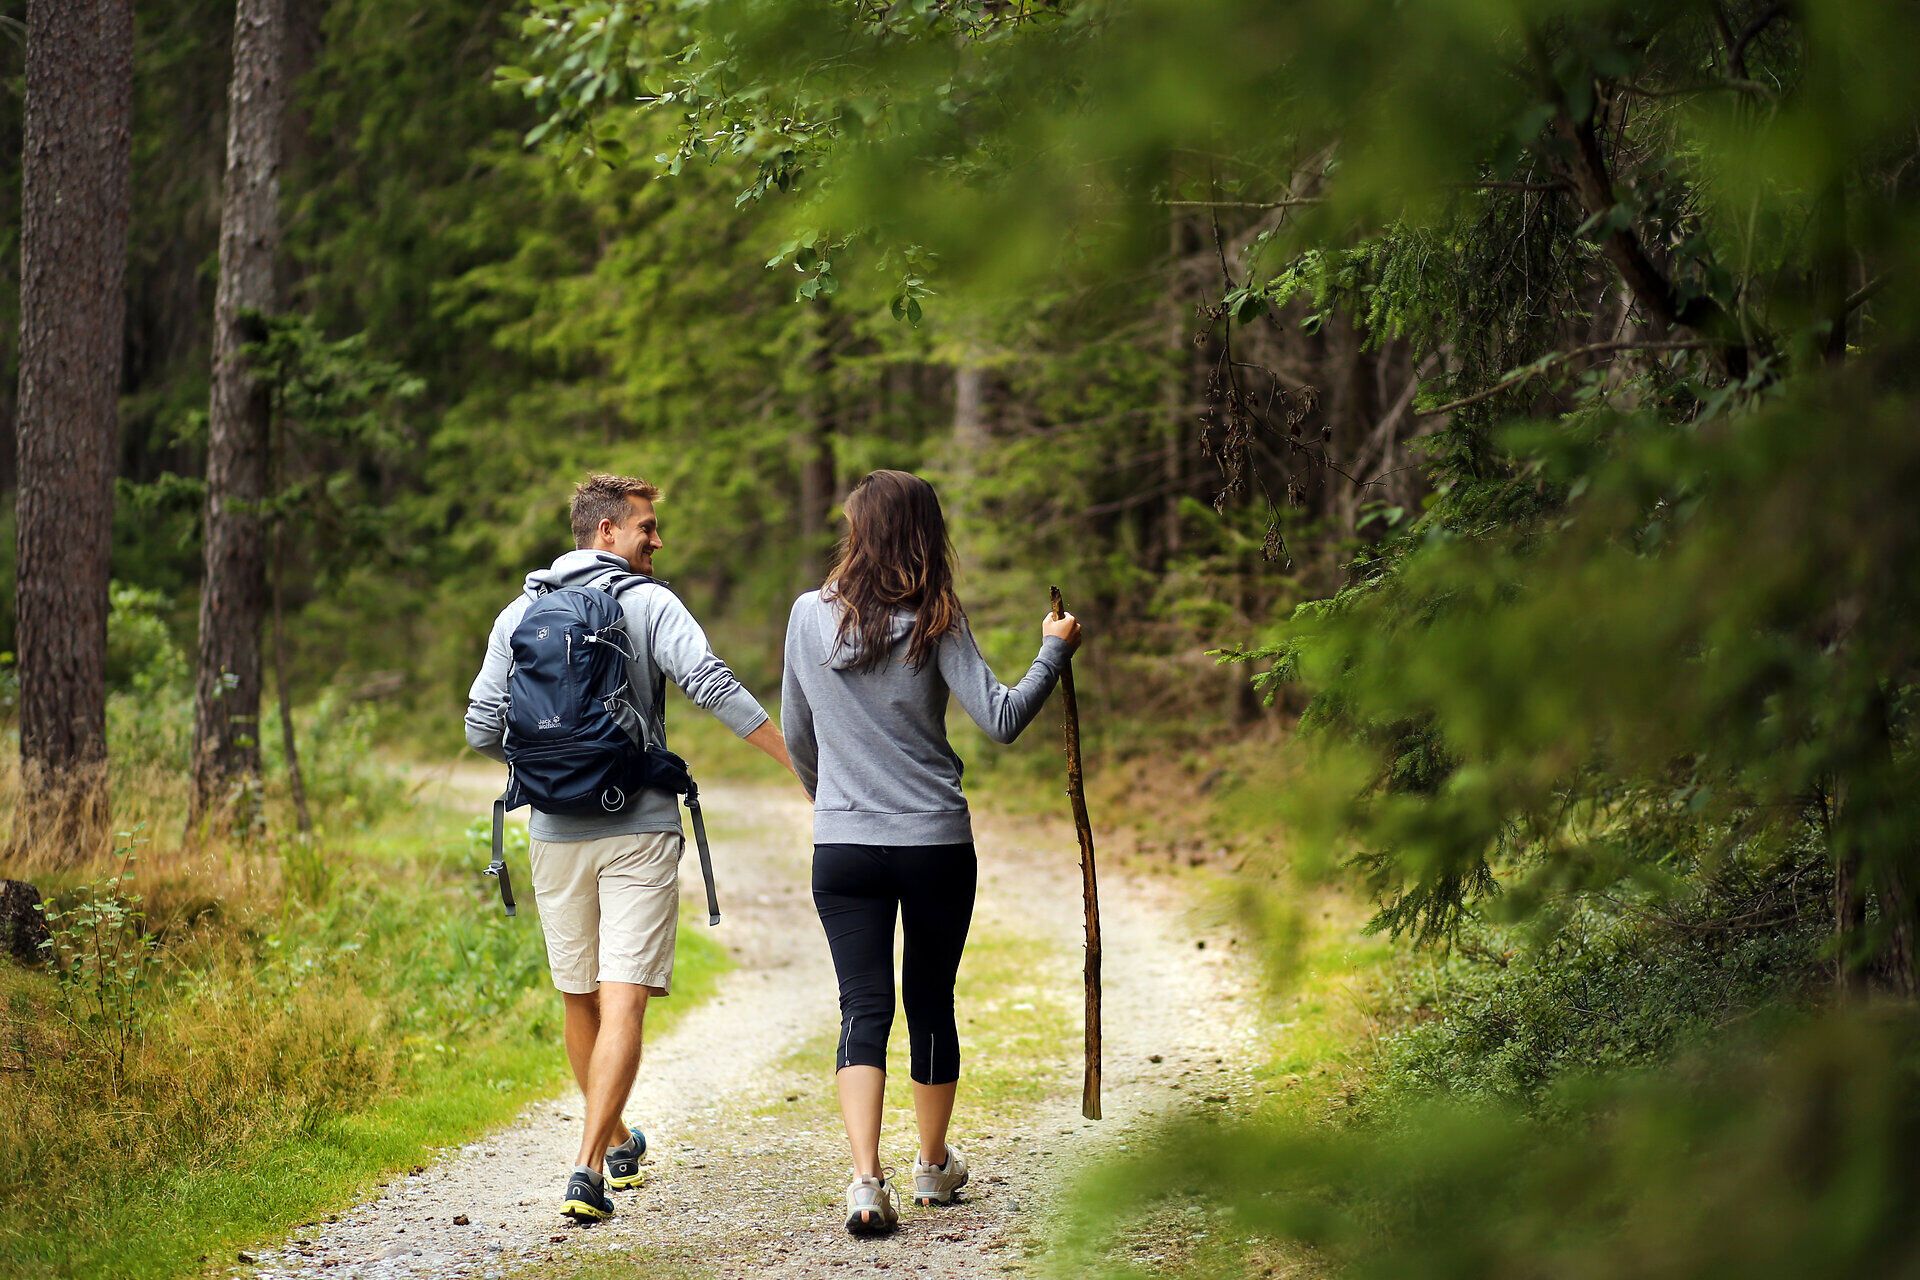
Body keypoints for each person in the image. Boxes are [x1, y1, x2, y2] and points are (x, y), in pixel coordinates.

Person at [465, 473, 793, 1223]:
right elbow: (711, 684)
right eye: (646, 526)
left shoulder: (520, 611)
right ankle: (591, 1164)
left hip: (553, 832)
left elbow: (481, 727)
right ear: (606, 532)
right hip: (639, 825)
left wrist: (547, 771)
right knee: (624, 999)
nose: (657, 540)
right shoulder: (649, 603)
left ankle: (611, 1141)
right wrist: (800, 767)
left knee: (580, 997)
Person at [780, 469, 1084, 1235]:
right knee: (930, 1001)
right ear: (924, 534)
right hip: (935, 843)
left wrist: (834, 801)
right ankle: (932, 1165)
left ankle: (864, 1182)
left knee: (862, 1007)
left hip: (843, 844)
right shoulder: (937, 617)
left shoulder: (807, 618)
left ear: (857, 532)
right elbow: (1003, 718)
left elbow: (797, 734)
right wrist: (1053, 652)